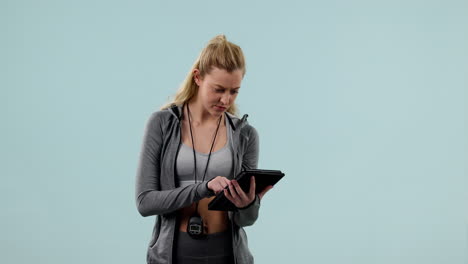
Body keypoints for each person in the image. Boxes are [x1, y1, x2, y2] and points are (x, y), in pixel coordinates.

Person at [135, 34, 273, 264]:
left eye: (234, 91)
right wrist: (204, 188)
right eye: (218, 89)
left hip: (228, 255)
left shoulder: (245, 135)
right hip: (173, 256)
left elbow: (246, 220)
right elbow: (145, 202)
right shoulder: (161, 124)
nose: (225, 100)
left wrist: (248, 204)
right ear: (198, 77)